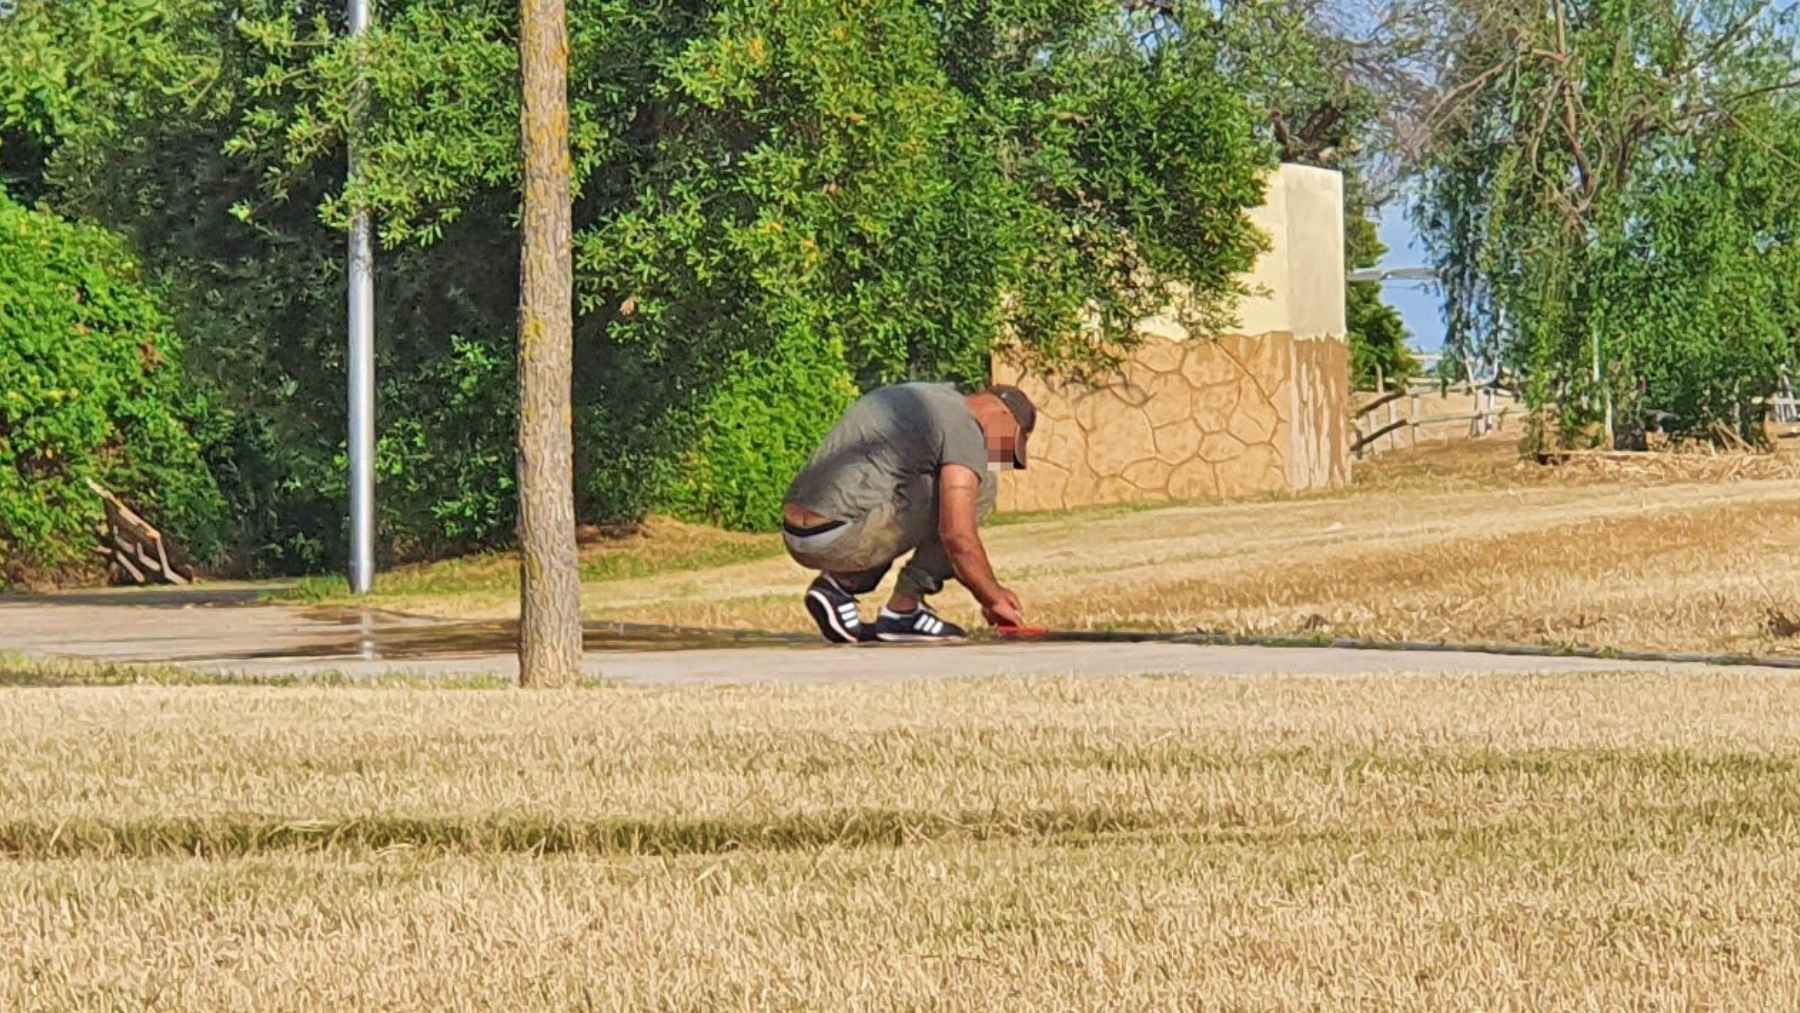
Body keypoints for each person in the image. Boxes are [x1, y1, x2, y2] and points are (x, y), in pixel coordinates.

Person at [782, 382, 1036, 643]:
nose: (1005, 458)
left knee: (913, 481)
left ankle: (839, 586)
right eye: (1013, 444)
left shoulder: (932, 398)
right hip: (841, 535)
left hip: (800, 532)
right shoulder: (964, 425)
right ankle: (904, 608)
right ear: (1004, 416)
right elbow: (958, 536)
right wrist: (992, 598)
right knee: (982, 490)